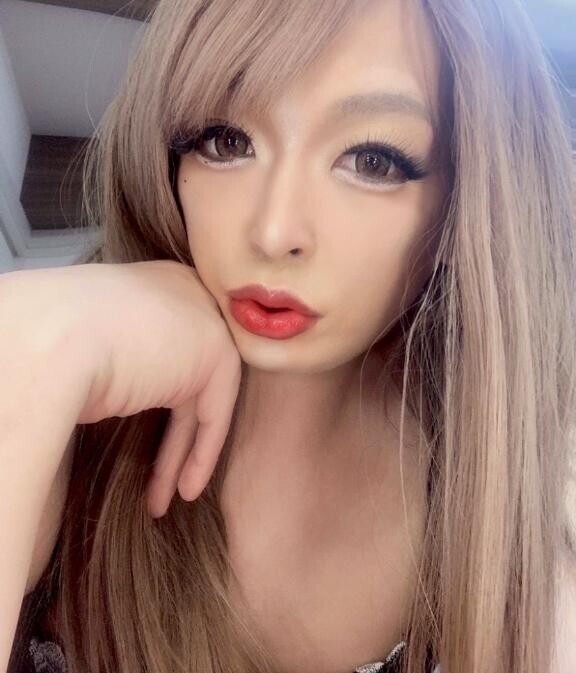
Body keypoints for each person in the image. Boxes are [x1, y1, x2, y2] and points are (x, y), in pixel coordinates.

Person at [2, 0, 575, 672]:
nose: (275, 232)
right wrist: (35, 345)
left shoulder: (505, 496)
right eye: (226, 141)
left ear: (463, 204)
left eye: (373, 160)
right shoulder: (68, 429)